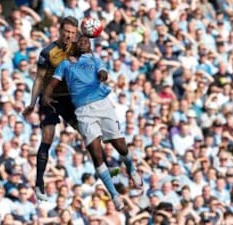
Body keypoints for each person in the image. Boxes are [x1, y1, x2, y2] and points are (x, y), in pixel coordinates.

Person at [43, 35, 143, 211]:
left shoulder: (95, 60)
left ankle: (131, 169)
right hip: (83, 112)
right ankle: (114, 195)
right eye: (79, 42)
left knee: (121, 146)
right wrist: (46, 95)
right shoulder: (65, 65)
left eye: (86, 41)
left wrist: (102, 75)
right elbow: (53, 83)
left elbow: (103, 72)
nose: (82, 43)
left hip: (103, 106)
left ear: (90, 46)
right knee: (96, 154)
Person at [22, 16, 79, 201]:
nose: (69, 36)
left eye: (73, 32)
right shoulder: (48, 52)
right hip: (50, 99)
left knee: (91, 133)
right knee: (47, 137)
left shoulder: (79, 50)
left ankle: (113, 172)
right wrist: (32, 103)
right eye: (67, 32)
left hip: (69, 99)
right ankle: (39, 183)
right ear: (60, 30)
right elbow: (38, 79)